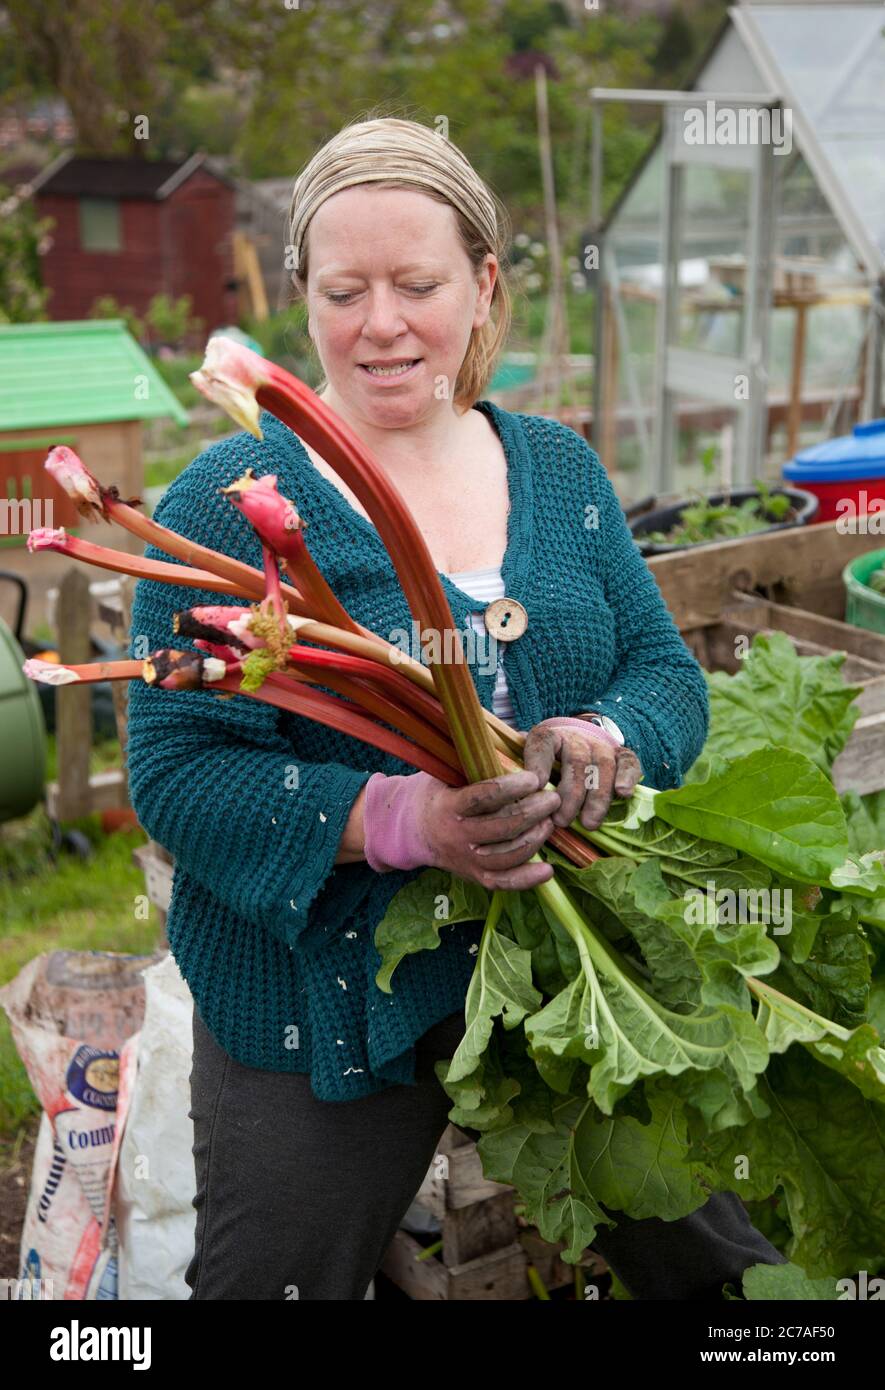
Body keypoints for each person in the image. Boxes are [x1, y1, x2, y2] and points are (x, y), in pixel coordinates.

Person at [126, 115, 787, 1301]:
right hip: (315, 987)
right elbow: (177, 773)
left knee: (724, 1270)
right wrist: (406, 825)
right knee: (270, 1280)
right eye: (344, 290)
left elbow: (664, 676)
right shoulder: (229, 501)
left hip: (568, 965)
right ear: (305, 301)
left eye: (418, 284)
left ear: (483, 285)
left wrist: (608, 739)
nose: (380, 323)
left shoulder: (557, 468)